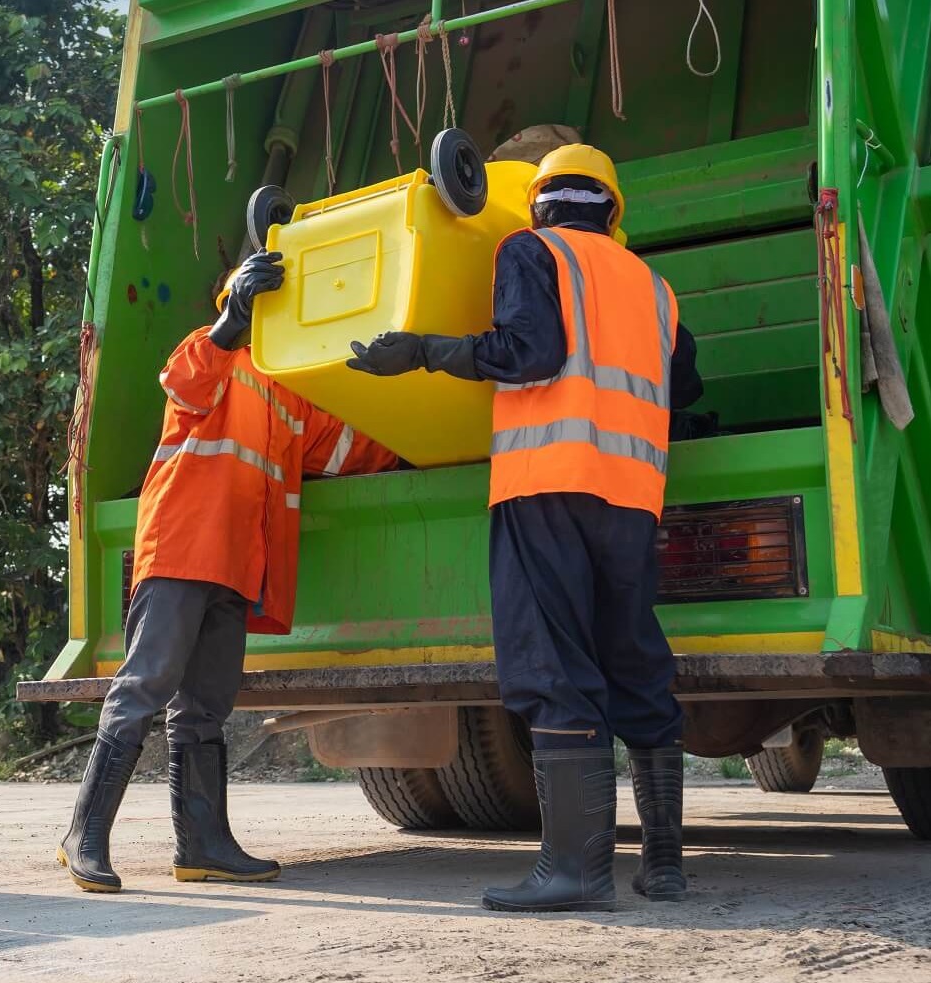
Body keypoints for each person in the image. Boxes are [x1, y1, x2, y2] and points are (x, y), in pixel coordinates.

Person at [346, 143, 702, 912]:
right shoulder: (654, 286)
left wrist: (425, 351)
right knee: (634, 660)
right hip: (632, 495)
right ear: (613, 210)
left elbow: (529, 352)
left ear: (538, 202)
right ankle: (665, 862)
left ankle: (574, 869)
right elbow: (687, 382)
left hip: (545, 484)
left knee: (555, 668)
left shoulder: (530, 250)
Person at [59, 251, 398, 894]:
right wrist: (228, 322)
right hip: (185, 551)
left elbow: (358, 448)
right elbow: (184, 379)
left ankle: (204, 847)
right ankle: (86, 836)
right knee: (144, 688)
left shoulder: (291, 396)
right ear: (237, 305)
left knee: (205, 708)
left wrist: (399, 386)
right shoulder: (209, 357)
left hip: (238, 568)